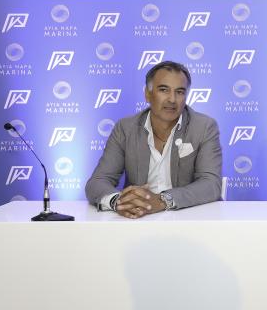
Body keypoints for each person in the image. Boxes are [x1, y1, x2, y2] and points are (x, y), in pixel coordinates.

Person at [85, 61, 222, 218]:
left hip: (188, 218)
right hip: (138, 218)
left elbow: (211, 184)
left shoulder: (204, 127)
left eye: (180, 92)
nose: (172, 99)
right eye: (163, 90)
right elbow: (97, 182)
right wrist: (120, 202)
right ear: (147, 94)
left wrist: (163, 200)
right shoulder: (126, 128)